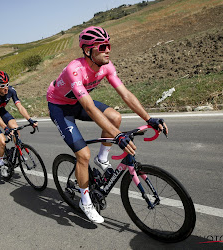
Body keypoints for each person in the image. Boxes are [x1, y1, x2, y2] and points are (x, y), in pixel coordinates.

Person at [47, 26, 168, 223]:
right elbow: (89, 107)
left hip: (77, 102)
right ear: (88, 51)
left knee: (115, 117)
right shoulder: (75, 70)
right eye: (102, 46)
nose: (108, 50)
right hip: (60, 107)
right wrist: (117, 136)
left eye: (109, 45)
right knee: (83, 154)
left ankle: (102, 159)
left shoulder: (107, 66)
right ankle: (85, 202)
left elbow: (126, 94)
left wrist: (148, 119)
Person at [0, 71, 38, 177]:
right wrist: (5, 128)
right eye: (2, 86)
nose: (6, 88)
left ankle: (18, 150)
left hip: (1, 110)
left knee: (15, 128)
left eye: (7, 84)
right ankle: (1, 163)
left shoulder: (11, 90)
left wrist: (30, 120)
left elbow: (20, 107)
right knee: (2, 142)